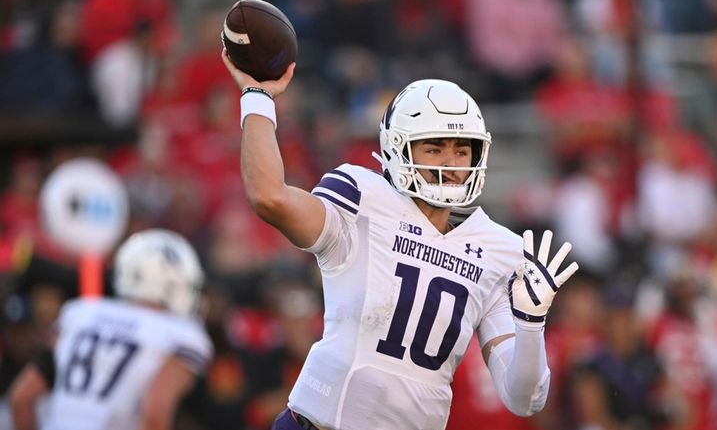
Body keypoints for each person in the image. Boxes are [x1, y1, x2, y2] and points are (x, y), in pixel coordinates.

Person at [222, 50, 579, 430]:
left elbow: (525, 399)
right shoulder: (363, 199)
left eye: (462, 150)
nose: (451, 163)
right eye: (434, 147)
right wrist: (257, 95)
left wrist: (530, 325)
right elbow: (269, 197)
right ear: (398, 147)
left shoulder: (498, 249)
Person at [8, 229, 212, 430]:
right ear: (175, 285)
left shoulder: (80, 313)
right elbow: (154, 412)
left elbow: (21, 398)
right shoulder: (182, 334)